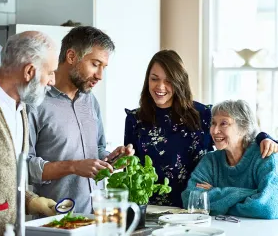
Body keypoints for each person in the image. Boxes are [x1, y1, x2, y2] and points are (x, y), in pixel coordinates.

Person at [124, 49, 278, 208]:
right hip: (148, 207)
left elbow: (237, 130)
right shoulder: (135, 119)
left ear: (179, 81)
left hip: (195, 207)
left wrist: (265, 137)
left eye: (169, 80)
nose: (160, 86)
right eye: (154, 79)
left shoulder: (202, 114)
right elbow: (130, 168)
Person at [27, 26, 135, 215]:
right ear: (71, 57)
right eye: (95, 64)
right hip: (55, 222)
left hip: (97, 219)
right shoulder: (34, 102)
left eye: (104, 67)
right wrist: (73, 166)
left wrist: (113, 159)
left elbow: (97, 150)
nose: (100, 76)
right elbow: (25, 166)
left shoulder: (90, 101)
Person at [0, 31, 59, 236]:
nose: (52, 81)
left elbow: (2, 179)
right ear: (29, 72)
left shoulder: (21, 107)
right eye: (50, 72)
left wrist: (31, 200)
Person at [182, 100, 278, 219]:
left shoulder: (265, 156)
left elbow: (267, 207)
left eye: (223, 123)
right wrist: (252, 193)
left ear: (243, 127)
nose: (215, 130)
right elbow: (190, 200)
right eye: (213, 123)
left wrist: (215, 194)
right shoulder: (210, 160)